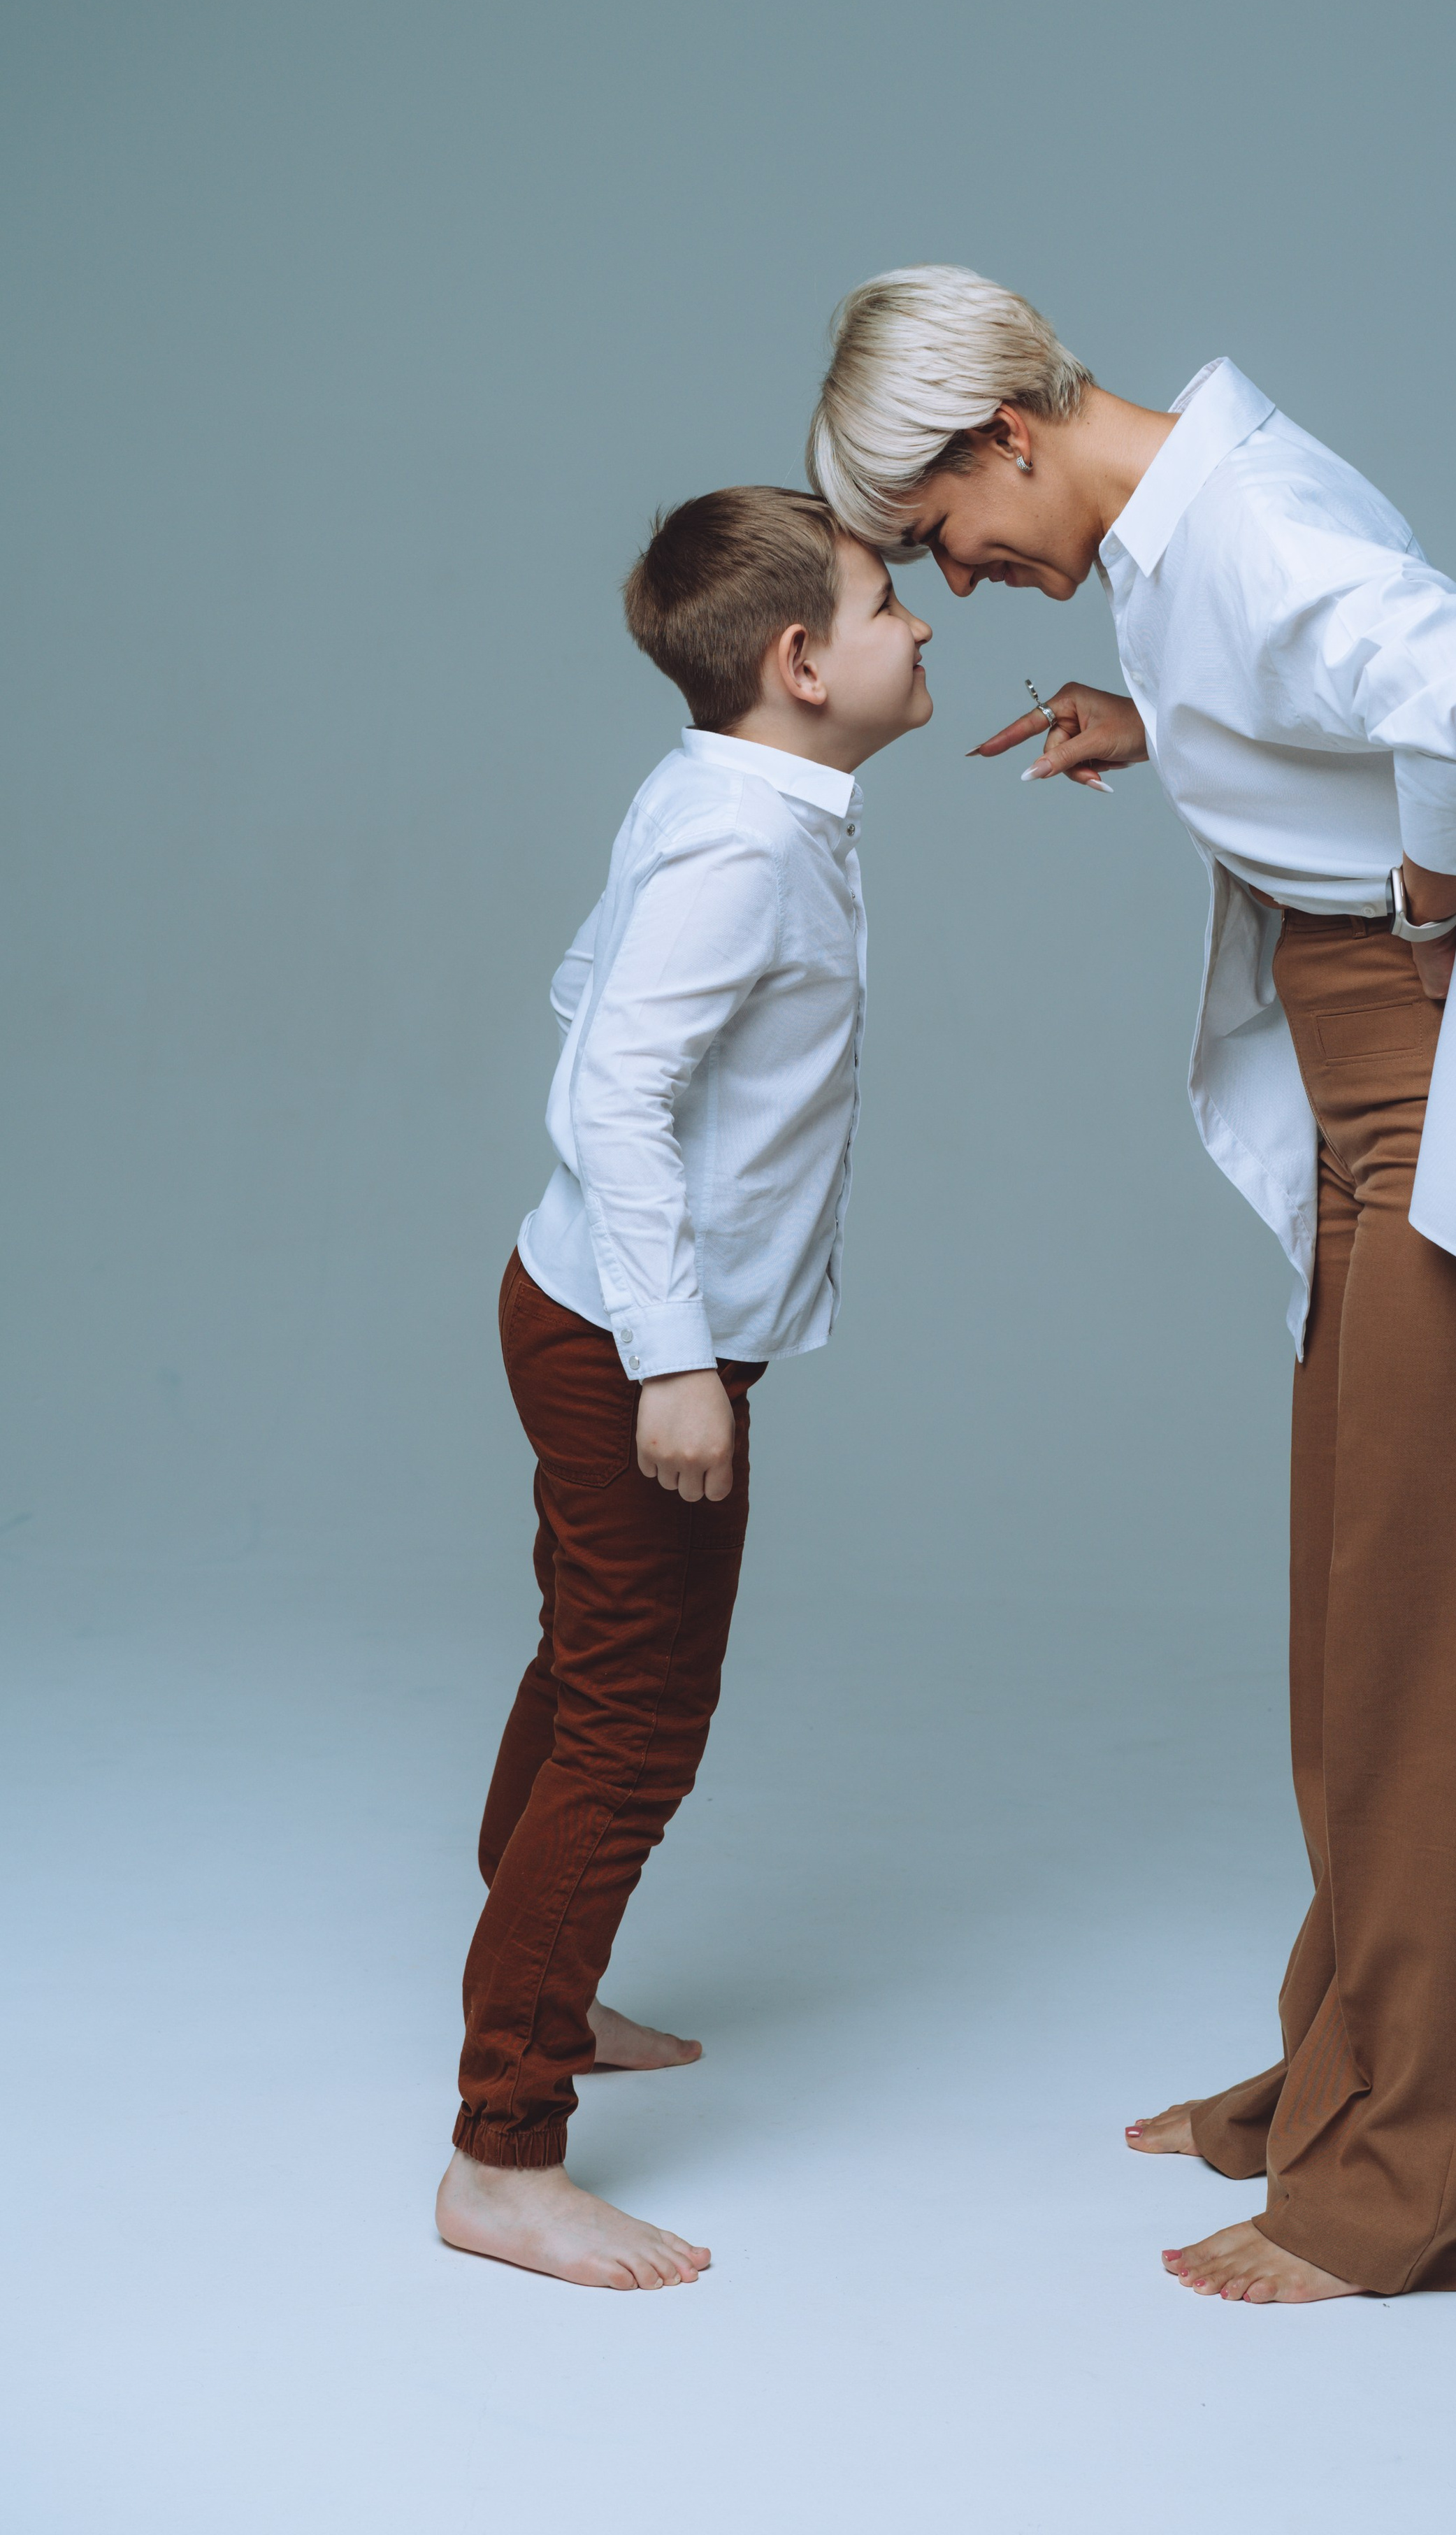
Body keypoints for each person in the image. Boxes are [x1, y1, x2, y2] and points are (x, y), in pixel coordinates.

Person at [807, 267, 1456, 2304]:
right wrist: (1170, 732)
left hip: (1440, 1079)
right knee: (1361, 1625)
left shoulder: (1247, 521)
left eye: (944, 535)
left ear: (1005, 435)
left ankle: (1414, 2187)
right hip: (1376, 1098)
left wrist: (1430, 891)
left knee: (1434, 1648)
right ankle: (1350, 2069)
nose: (966, 576)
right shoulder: (1178, 547)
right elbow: (1324, 701)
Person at [435, 487, 933, 2288]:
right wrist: (675, 1363)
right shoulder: (748, 841)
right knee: (639, 1719)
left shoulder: (726, 789)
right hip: (633, 1341)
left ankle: (539, 1992)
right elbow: (608, 1097)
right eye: (890, 608)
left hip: (601, 1309)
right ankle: (505, 2148)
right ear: (802, 664)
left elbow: (590, 1004)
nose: (924, 629)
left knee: (589, 1666)